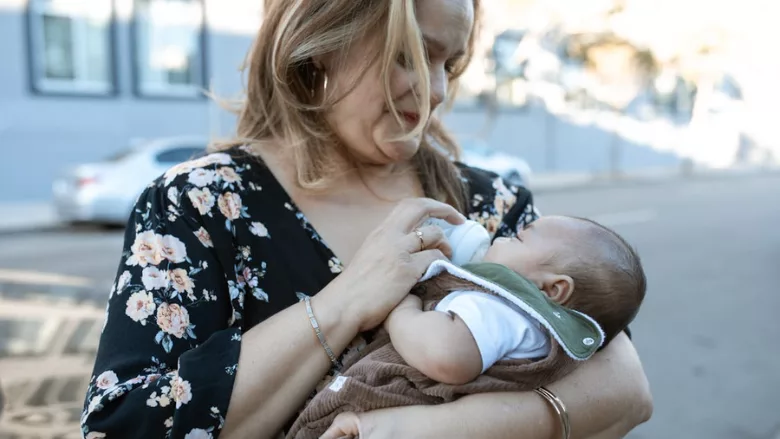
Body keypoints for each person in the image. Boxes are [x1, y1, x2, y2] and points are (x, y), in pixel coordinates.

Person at [80, 0, 653, 437]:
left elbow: (625, 388)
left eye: (448, 63)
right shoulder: (200, 202)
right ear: (322, 39)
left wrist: (427, 430)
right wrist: (348, 298)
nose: (432, 91)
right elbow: (123, 424)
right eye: (408, 55)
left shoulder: (495, 204)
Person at [288, 215, 647, 438]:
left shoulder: (503, 308)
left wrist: (403, 309)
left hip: (393, 403)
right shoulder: (534, 324)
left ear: (553, 289)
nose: (502, 237)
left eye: (519, 238)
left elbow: (447, 357)